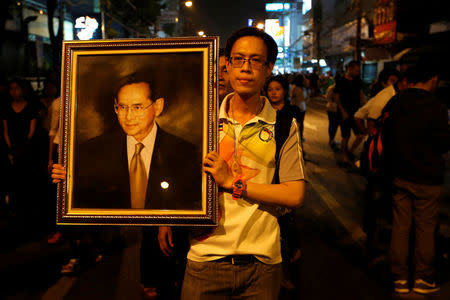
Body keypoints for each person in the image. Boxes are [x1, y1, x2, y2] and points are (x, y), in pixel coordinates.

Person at [165, 27, 306, 300]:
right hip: (204, 258)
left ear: (269, 69)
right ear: (226, 66)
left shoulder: (283, 125)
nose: (246, 68)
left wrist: (232, 183)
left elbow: (294, 194)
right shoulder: (201, 121)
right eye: (239, 59)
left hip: (262, 265)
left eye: (256, 60)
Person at [56, 75, 201, 210]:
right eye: (122, 107)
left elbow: (189, 203)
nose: (129, 116)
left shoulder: (184, 152)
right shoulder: (93, 150)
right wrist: (68, 180)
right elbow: (85, 199)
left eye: (137, 107)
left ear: (158, 106)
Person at [388, 62, 449, 295]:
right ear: (432, 79)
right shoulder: (437, 105)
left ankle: (400, 279)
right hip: (428, 177)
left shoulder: (397, 101)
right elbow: (444, 143)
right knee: (425, 227)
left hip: (401, 174)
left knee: (401, 227)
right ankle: (423, 278)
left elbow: (388, 137)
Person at [265, 75, 303, 292]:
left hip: (286, 172)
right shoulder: (263, 113)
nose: (273, 93)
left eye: (277, 89)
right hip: (269, 172)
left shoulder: (292, 113)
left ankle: (292, 264)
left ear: (285, 91)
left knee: (287, 222)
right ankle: (277, 275)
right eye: (270, 89)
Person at [334, 60, 367, 165]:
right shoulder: (341, 81)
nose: (357, 73)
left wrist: (366, 106)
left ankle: (350, 152)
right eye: (356, 70)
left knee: (361, 135)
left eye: (358, 71)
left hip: (356, 112)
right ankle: (344, 155)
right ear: (350, 68)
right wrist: (342, 110)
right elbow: (336, 97)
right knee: (346, 136)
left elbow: (361, 94)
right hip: (345, 113)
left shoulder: (357, 80)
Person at [290, 74, 307, 141]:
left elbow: (292, 97)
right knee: (298, 123)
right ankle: (298, 137)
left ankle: (299, 136)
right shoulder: (300, 88)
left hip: (300, 107)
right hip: (299, 107)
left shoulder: (296, 88)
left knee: (299, 123)